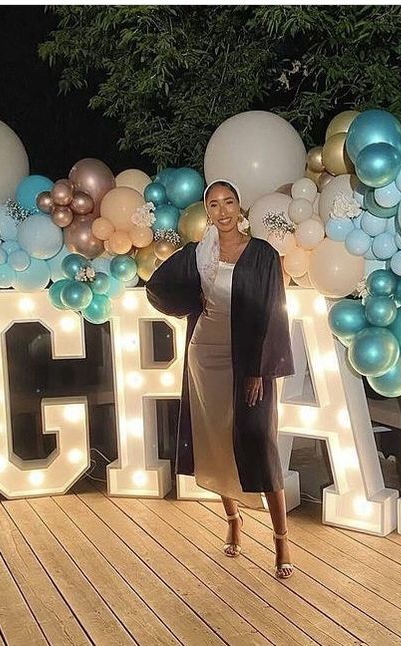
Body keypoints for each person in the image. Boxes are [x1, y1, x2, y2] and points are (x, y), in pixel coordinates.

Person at [146, 179, 296, 579]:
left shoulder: (262, 254)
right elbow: (157, 287)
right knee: (213, 441)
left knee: (258, 443)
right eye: (214, 205)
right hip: (204, 356)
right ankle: (232, 522)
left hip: (247, 362)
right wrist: (188, 302)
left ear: (240, 206)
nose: (223, 211)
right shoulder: (198, 254)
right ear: (207, 211)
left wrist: (259, 369)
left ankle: (281, 541)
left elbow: (273, 313)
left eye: (229, 202)